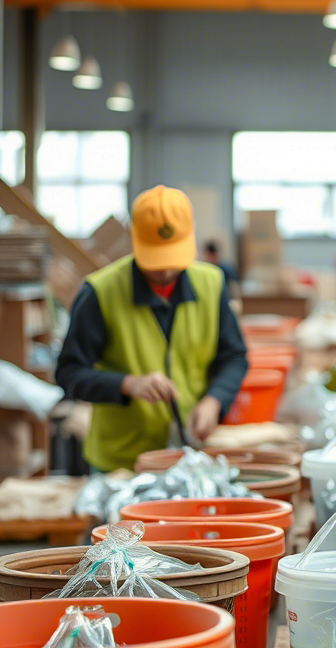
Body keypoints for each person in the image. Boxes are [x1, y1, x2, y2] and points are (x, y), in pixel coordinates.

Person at [56, 186, 249, 472]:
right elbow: (69, 373)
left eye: (172, 258)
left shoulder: (212, 284)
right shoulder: (100, 292)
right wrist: (128, 384)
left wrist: (213, 401)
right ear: (134, 238)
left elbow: (234, 356)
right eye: (155, 259)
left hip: (190, 456)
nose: (165, 271)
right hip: (121, 464)